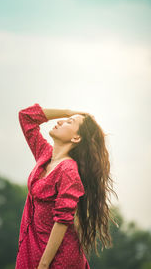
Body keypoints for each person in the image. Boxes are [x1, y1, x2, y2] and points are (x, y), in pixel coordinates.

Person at [15, 103, 118, 269]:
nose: (61, 121)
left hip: (57, 259)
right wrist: (69, 112)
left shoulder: (68, 170)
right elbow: (26, 117)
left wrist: (44, 264)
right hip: (31, 249)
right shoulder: (45, 155)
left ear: (76, 138)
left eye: (69, 122)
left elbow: (62, 221)